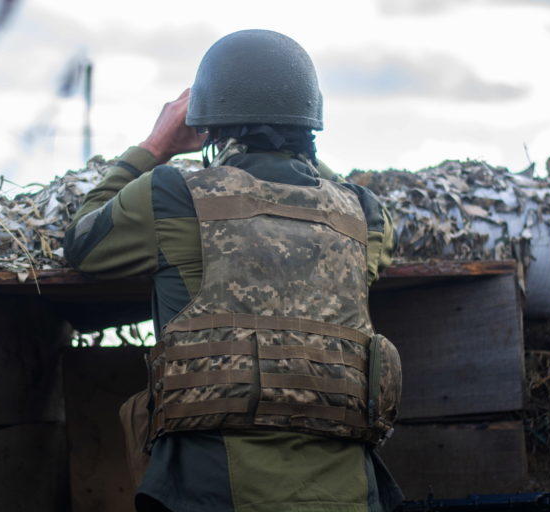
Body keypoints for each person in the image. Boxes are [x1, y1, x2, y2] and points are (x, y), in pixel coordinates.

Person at [64, 29, 403, 512]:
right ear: (311, 121)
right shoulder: (363, 214)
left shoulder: (170, 195)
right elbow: (328, 191)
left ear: (209, 124)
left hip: (211, 489)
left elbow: (82, 242)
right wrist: (298, 152)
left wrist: (155, 145)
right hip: (350, 492)